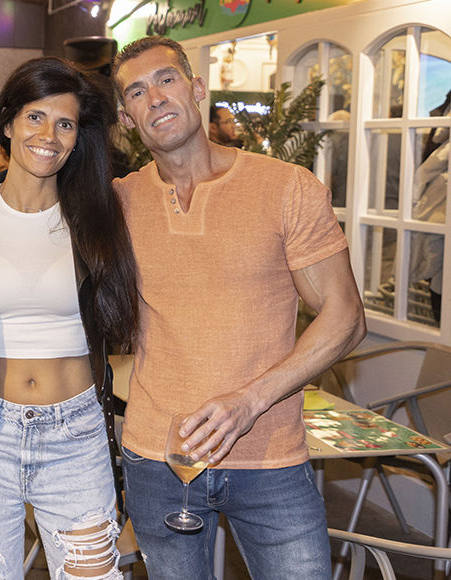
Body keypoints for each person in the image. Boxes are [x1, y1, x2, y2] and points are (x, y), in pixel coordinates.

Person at [111, 36, 365, 579]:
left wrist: (250, 402)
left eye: (166, 79)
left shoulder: (285, 187)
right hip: (158, 458)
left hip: (269, 456)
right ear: (127, 118)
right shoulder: (120, 201)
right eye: (136, 91)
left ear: (197, 88)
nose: (155, 98)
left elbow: (346, 317)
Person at [0, 56, 138, 579]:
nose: (49, 135)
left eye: (65, 123)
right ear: (7, 124)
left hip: (76, 436)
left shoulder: (100, 217)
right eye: (35, 117)